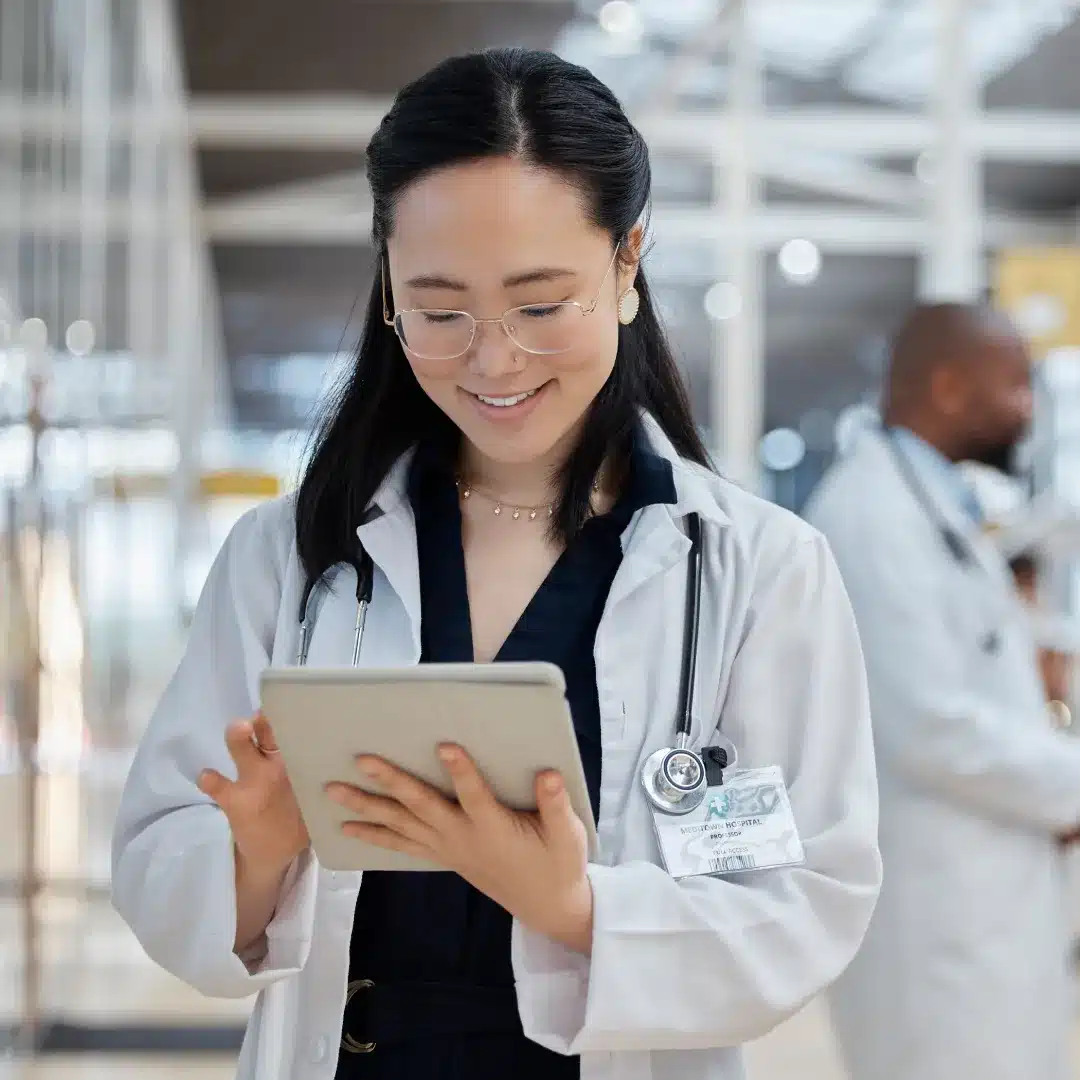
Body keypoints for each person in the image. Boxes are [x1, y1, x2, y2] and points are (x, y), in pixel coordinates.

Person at [111, 48, 881, 1080]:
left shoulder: (755, 571)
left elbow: (807, 904)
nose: (494, 359)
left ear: (625, 266)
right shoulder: (294, 554)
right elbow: (161, 859)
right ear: (387, 284)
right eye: (439, 311)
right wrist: (254, 851)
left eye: (539, 303)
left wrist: (571, 903)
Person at [803, 302, 1080, 1080]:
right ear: (951, 387)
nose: (1027, 407)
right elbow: (930, 725)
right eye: (1017, 385)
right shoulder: (870, 516)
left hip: (987, 909)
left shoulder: (930, 507)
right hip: (935, 925)